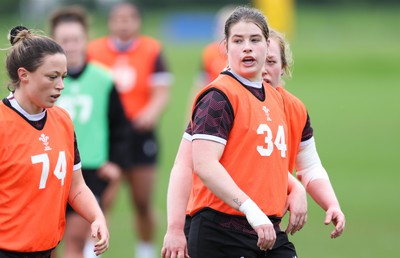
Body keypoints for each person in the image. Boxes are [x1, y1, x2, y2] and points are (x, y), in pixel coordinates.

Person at [161, 24, 346, 257]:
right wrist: (175, 228)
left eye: (272, 61)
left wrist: (330, 203)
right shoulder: (222, 97)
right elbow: (190, 165)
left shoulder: (291, 107)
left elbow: (306, 165)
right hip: (220, 222)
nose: (264, 68)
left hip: (267, 225)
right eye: (240, 43)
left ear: (284, 67)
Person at [0, 26, 109, 258]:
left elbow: (76, 186)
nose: (60, 85)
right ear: (23, 75)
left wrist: (97, 217)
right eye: (52, 77)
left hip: (46, 251)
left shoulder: (62, 120)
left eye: (63, 77)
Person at [86, 2, 173, 257]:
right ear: (110, 22)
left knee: (143, 201)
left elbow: (161, 91)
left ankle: (144, 251)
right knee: (101, 201)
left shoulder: (152, 50)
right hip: (107, 137)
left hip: (139, 134)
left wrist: (150, 113)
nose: (124, 24)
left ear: (138, 21)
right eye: (118, 19)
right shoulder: (94, 51)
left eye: (129, 18)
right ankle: (92, 251)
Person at [49, 6, 130, 258]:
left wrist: (117, 162)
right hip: (50, 169)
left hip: (89, 171)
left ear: (86, 39)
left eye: (75, 39)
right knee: (47, 241)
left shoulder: (103, 79)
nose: (70, 46)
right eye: (64, 40)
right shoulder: (44, 81)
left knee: (76, 239)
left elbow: (119, 125)